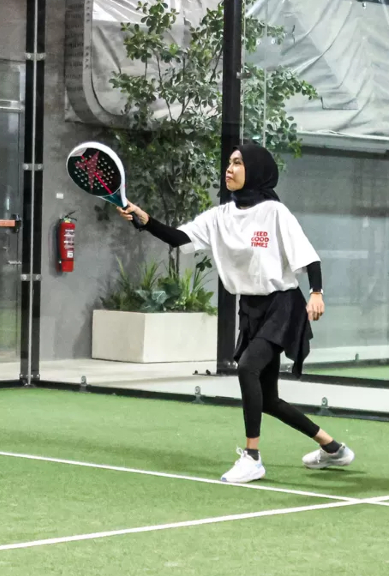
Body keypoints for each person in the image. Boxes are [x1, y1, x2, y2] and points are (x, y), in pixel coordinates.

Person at [117, 142, 355, 483]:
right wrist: (144, 220)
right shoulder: (219, 217)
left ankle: (252, 457)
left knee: (246, 368)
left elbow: (309, 256)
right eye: (229, 163)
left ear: (255, 170)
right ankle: (334, 449)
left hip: (282, 305)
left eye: (238, 163)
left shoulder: (275, 213)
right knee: (269, 400)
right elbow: (179, 238)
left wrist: (316, 293)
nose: (229, 169)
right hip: (251, 309)